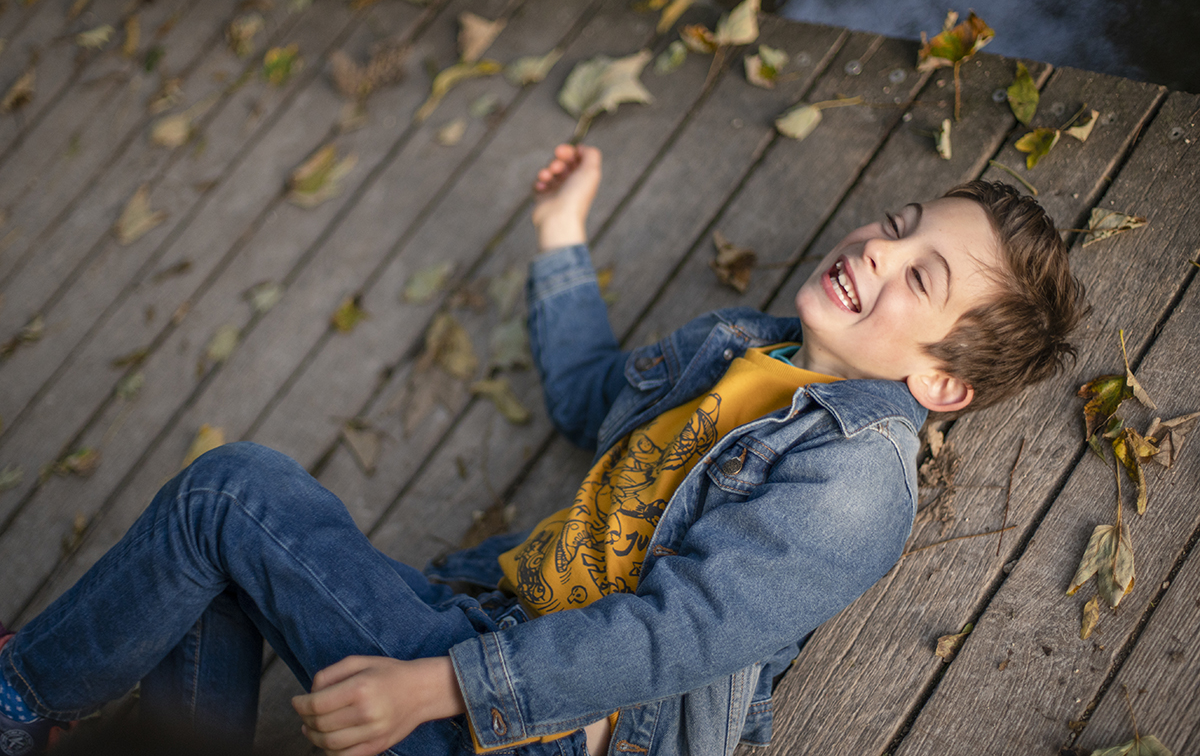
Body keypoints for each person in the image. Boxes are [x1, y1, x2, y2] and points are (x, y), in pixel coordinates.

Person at [0, 144, 1083, 756]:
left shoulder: (855, 481)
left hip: (549, 730)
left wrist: (441, 685)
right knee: (218, 573)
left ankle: (15, 700)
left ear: (941, 383)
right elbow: (589, 396)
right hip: (484, 633)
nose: (878, 252)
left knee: (229, 497)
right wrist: (562, 236)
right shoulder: (746, 348)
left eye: (920, 277)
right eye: (899, 226)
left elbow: (677, 639)